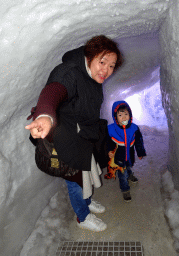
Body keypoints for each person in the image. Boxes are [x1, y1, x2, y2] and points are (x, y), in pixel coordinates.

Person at [25, 35, 123, 232]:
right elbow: (56, 90)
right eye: (102, 62)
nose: (106, 70)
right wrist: (45, 114)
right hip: (64, 139)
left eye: (111, 66)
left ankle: (86, 201)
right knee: (75, 180)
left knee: (85, 174)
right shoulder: (70, 71)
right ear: (89, 56)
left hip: (82, 138)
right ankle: (82, 216)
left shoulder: (92, 76)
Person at [105, 100, 146, 202]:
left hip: (130, 155)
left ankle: (130, 174)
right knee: (122, 175)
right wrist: (109, 150)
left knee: (128, 165)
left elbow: (138, 142)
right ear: (115, 117)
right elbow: (107, 142)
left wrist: (140, 152)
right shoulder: (111, 130)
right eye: (120, 115)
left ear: (130, 115)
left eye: (126, 114)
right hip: (118, 157)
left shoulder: (134, 128)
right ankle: (125, 190)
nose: (124, 117)